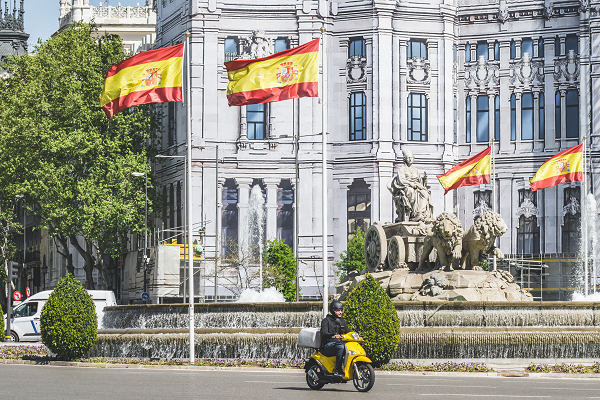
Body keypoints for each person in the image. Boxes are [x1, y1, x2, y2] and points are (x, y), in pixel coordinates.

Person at [387, 148, 434, 222]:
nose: (410, 159)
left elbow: (420, 181)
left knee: (425, 194)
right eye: (408, 157)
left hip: (417, 187)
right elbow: (401, 180)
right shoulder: (402, 169)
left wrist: (424, 179)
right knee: (411, 191)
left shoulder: (415, 169)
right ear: (405, 159)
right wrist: (411, 184)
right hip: (405, 187)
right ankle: (413, 214)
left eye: (411, 157)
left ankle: (419, 213)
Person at [320, 300, 349, 376]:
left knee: (347, 347)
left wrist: (356, 336)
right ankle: (338, 369)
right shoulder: (326, 321)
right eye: (338, 310)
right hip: (329, 344)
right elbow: (324, 333)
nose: (340, 312)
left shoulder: (343, 322)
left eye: (341, 310)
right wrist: (333, 335)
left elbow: (348, 332)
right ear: (333, 311)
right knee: (341, 347)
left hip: (340, 343)